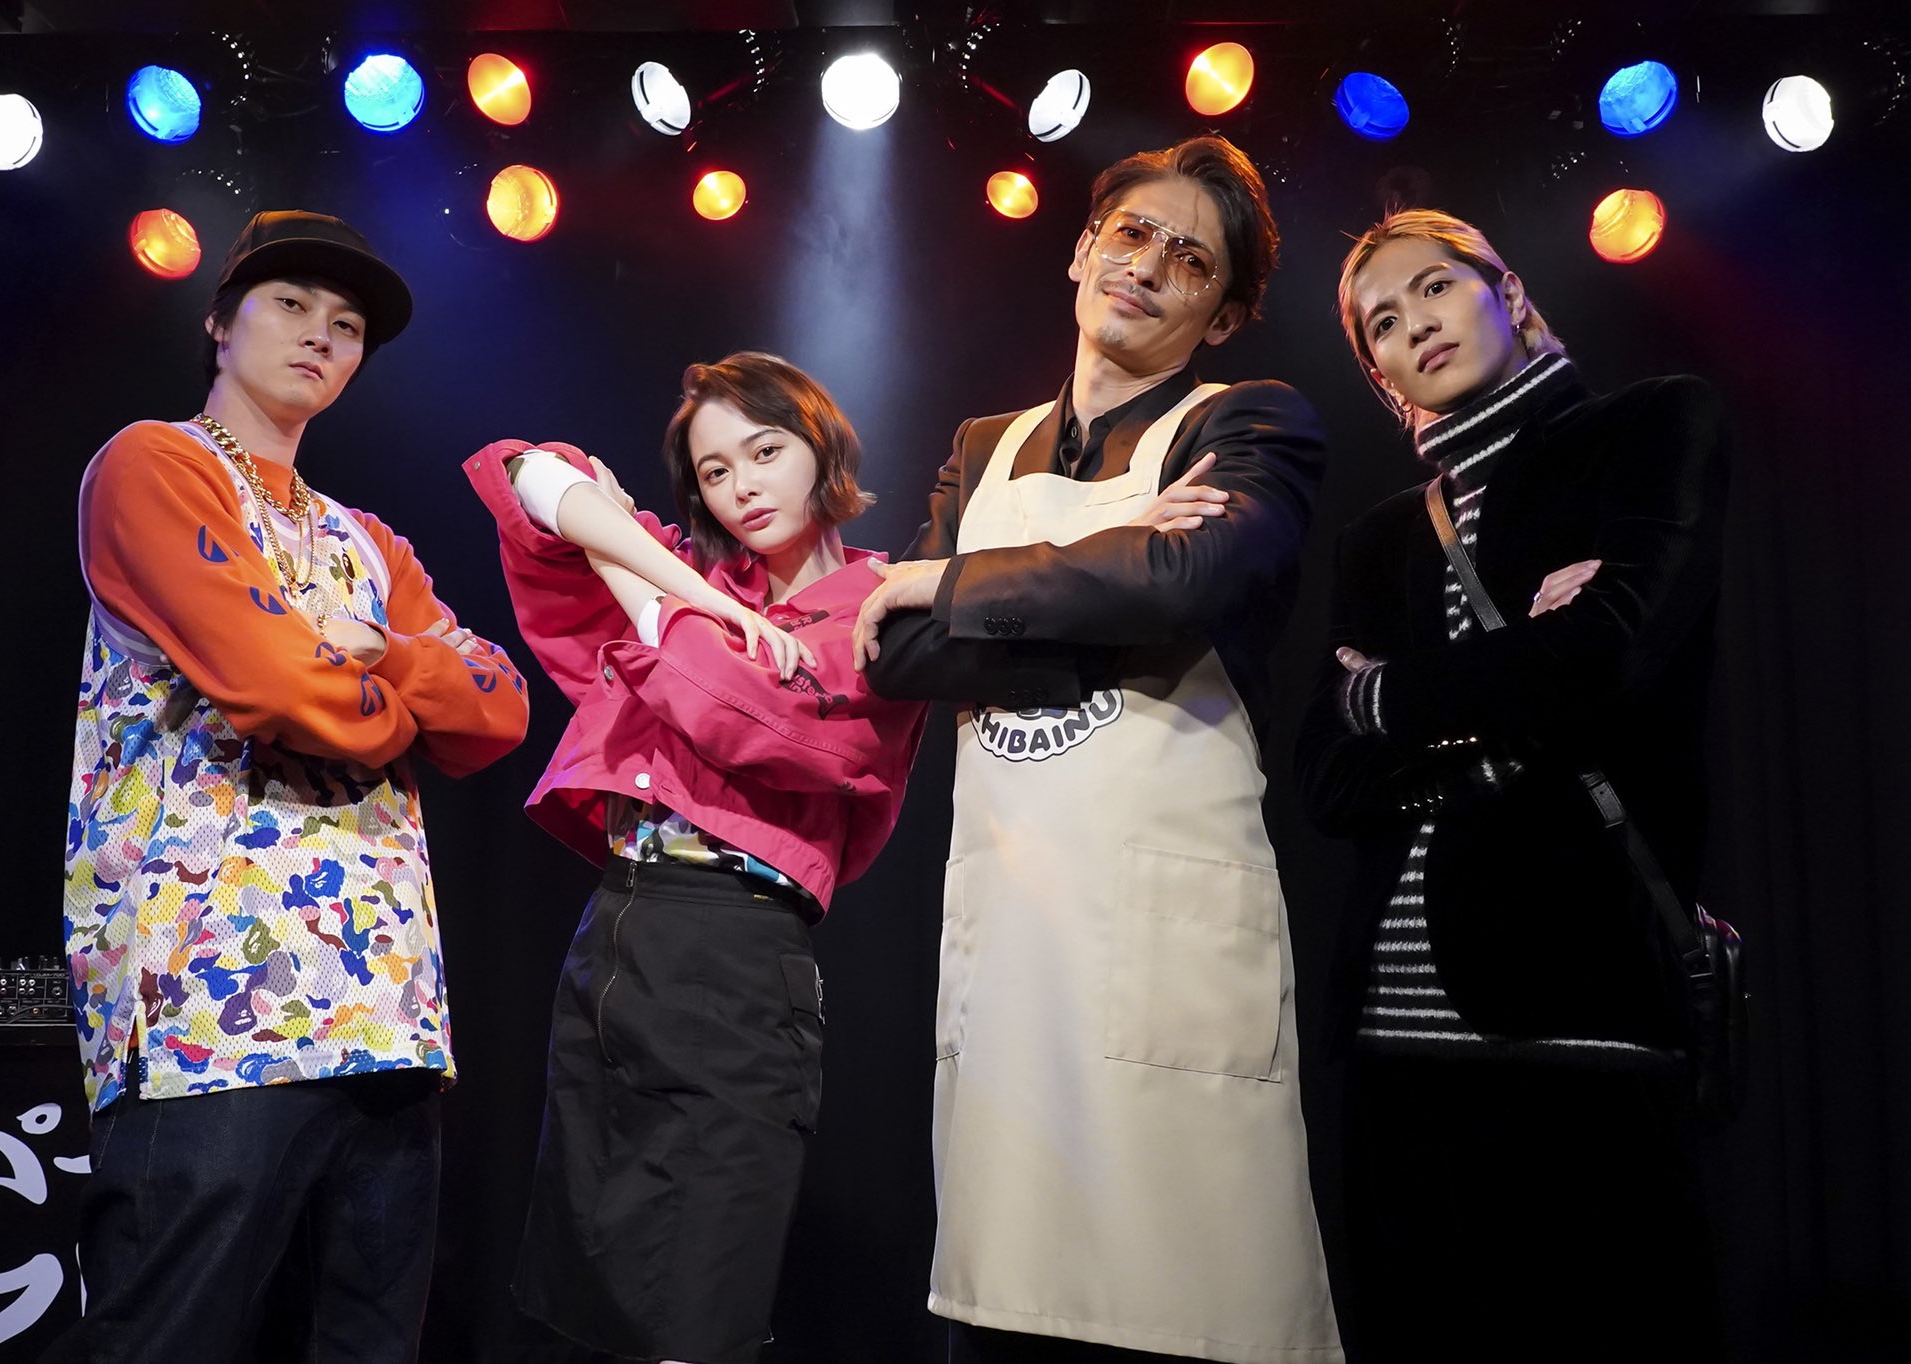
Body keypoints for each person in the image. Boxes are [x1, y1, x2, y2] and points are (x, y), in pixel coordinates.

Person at [854, 137, 1342, 1363]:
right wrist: (1105, 585)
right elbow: (896, 656)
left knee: (1191, 1304)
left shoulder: (1250, 422)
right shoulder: (985, 445)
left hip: (1164, 939)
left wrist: (954, 583)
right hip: (1014, 948)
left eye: (1191, 260)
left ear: (1219, 317)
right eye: (1130, 233)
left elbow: (1188, 579)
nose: (1147, 266)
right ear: (1081, 249)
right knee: (1007, 1305)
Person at [55, 210, 530, 1363]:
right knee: (167, 1334)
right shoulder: (157, 464)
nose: (322, 334)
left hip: (382, 1006)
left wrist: (386, 658)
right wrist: (395, 708)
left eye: (348, 324)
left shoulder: (370, 543)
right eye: (291, 304)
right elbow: (271, 684)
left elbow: (500, 708)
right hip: (211, 1000)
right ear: (219, 323)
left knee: (367, 1339)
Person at [1296, 208, 1729, 1361]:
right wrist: (1507, 683)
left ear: (1510, 294)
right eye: (1380, 322)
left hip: (1580, 1006)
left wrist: (1390, 696)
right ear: (1380, 376)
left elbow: (1608, 659)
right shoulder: (1375, 539)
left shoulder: (1651, 425)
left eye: (1433, 287)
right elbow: (1324, 777)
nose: (1412, 323)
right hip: (1387, 1034)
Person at [463, 353, 929, 1364]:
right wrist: (679, 582)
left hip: (734, 949)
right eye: (714, 472)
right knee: (584, 1299)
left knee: (698, 1308)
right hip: (615, 928)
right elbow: (524, 472)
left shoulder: (879, 605)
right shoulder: (701, 586)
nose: (742, 486)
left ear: (823, 449)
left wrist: (632, 574)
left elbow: (744, 716)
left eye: (765, 452)